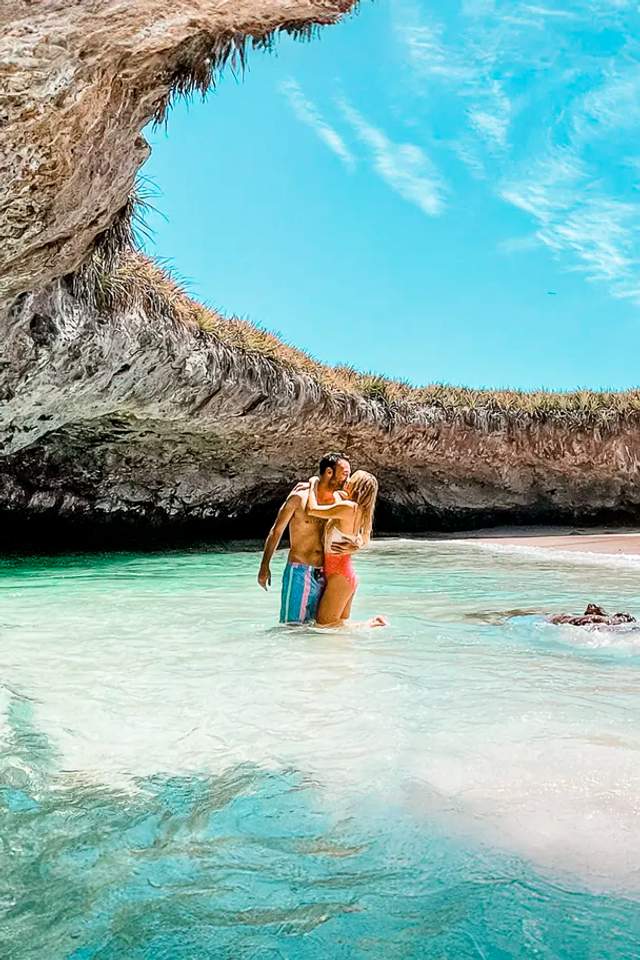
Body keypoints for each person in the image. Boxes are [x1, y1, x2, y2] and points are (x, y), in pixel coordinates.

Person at [258, 453, 354, 624]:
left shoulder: (341, 500)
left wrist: (355, 546)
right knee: (291, 627)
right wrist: (264, 566)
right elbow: (276, 532)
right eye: (345, 473)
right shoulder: (298, 498)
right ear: (329, 472)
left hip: (326, 573)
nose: (348, 479)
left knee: (318, 629)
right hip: (300, 571)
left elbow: (358, 532)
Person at [305, 470, 387, 628]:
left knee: (324, 625)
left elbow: (312, 509)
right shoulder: (360, 511)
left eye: (351, 479)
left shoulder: (348, 508)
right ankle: (372, 624)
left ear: (356, 486)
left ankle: (373, 624)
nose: (347, 481)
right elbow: (365, 539)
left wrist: (313, 484)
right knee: (337, 624)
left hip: (340, 576)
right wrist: (355, 545)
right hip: (343, 574)